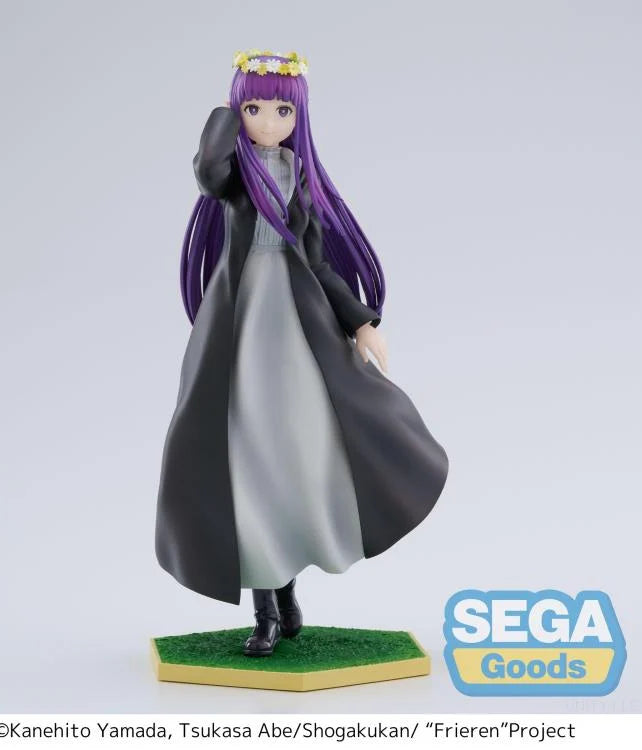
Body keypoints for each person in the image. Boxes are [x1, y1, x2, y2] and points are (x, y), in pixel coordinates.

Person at [155, 50, 448, 656]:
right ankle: (267, 608)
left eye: (282, 110)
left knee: (300, 455)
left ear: (300, 117)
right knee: (248, 461)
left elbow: (317, 263)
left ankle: (286, 591)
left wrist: (362, 321)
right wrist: (225, 112)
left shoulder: (298, 179)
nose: (268, 121)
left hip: (297, 330)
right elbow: (208, 169)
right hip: (240, 332)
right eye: (255, 108)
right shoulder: (234, 175)